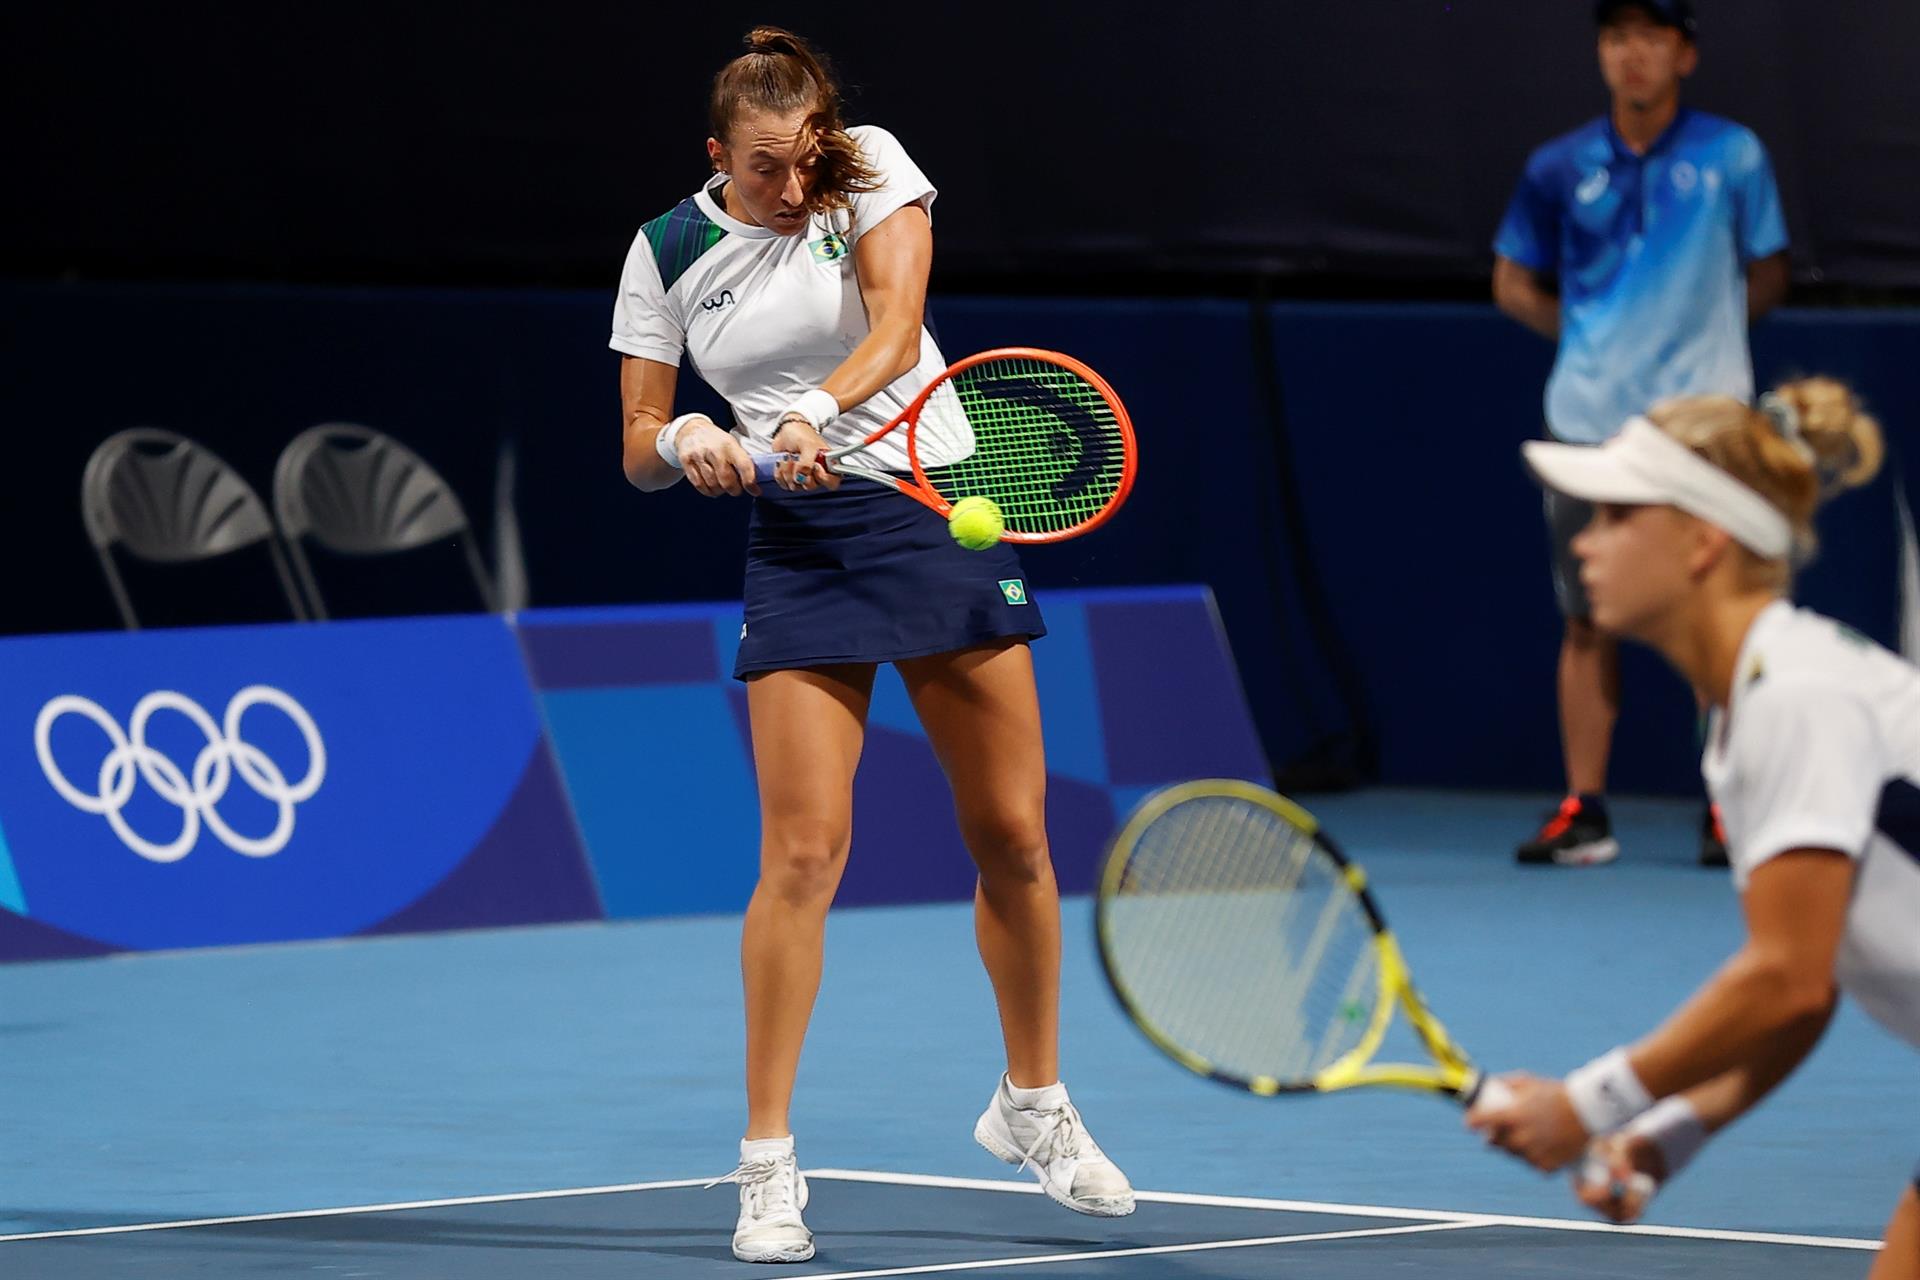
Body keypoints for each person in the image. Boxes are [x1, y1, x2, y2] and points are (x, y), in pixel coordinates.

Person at [609, 26, 1134, 1265]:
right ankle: (768, 1165)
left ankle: (1034, 1103)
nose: (791, 190)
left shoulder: (871, 167)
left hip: (925, 501)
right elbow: (635, 437)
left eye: (803, 162)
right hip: (798, 545)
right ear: (715, 156)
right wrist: (688, 441)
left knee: (1013, 832)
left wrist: (809, 409)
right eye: (763, 170)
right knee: (802, 849)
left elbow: (898, 327)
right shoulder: (668, 248)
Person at [1466, 378, 1916, 1279]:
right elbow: (1810, 982)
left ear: (1703, 541)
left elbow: (1784, 981)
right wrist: (1668, 1133)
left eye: (1617, 516)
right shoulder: (1754, 707)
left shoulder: (1797, 699)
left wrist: (1586, 1106)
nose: (1585, 542)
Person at [1493, 0, 1791, 867]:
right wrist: (1593, 340)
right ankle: (1584, 812)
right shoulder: (1557, 165)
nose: (1634, 55)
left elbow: (1767, 273)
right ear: (1601, 52)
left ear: (1683, 54)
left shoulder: (1734, 156)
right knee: (1587, 620)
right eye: (1618, 37)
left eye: (1652, 38)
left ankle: (1726, 808)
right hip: (1587, 424)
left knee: (1721, 614)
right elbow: (1513, 283)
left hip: (1705, 435)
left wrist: (1707, 355)